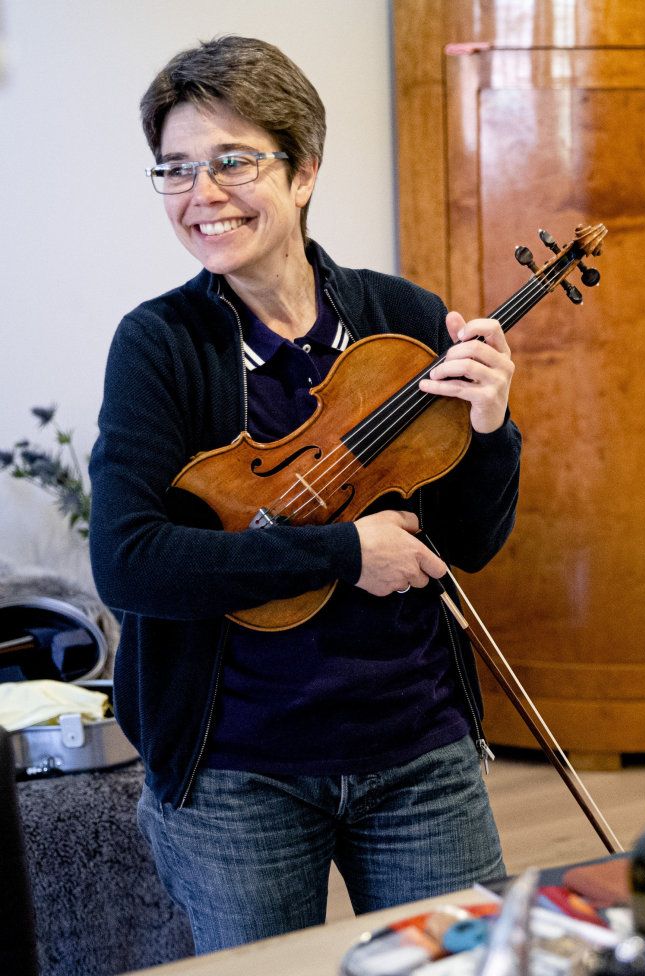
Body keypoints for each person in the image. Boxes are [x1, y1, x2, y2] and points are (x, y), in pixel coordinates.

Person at [88, 35, 521, 952]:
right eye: (175, 169)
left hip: (417, 750)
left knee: (466, 969)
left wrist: (490, 432)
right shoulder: (159, 347)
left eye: (232, 162)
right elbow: (129, 562)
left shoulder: (400, 319)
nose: (200, 195)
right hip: (236, 771)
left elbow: (467, 543)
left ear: (303, 172)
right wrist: (343, 551)